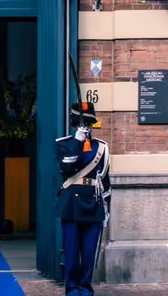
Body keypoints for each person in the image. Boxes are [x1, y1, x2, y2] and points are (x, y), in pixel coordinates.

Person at [56, 101, 111, 296]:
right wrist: (77, 143)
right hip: (72, 204)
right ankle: (71, 288)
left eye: (88, 124)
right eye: (82, 124)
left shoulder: (102, 148)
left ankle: (85, 287)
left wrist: (107, 210)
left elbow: (105, 180)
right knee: (71, 251)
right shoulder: (63, 144)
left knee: (88, 252)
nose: (85, 128)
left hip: (93, 204)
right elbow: (66, 169)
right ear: (74, 125)